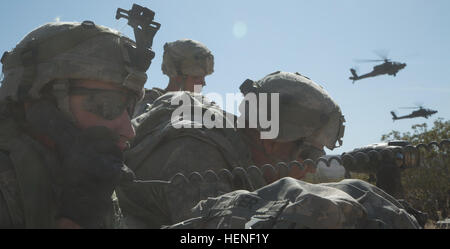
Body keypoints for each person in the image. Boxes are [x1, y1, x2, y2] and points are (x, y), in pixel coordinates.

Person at [117, 71, 349, 227]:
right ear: (272, 141)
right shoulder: (200, 155)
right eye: (310, 155)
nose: (309, 168)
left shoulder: (242, 156)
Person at [0, 19, 156, 228]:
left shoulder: (86, 171)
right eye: (107, 106)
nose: (129, 131)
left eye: (129, 108)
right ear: (43, 105)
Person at [133, 39, 214, 117]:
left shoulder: (204, 108)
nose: (203, 83)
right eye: (196, 77)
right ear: (178, 76)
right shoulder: (149, 104)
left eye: (203, 77)